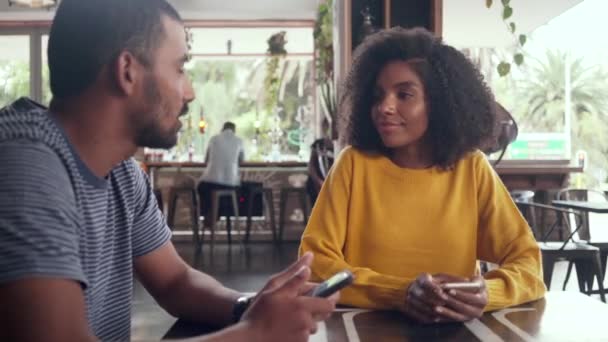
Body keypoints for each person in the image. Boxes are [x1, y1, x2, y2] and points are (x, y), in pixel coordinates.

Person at [0, 1, 337, 341]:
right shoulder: (23, 166)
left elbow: (175, 282)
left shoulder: (122, 173)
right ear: (127, 70)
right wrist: (256, 334)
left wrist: (247, 306)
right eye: (180, 69)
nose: (189, 91)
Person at [299, 27, 545, 323]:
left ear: (439, 103)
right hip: (366, 327)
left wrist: (487, 292)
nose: (384, 107)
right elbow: (315, 266)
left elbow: (529, 264)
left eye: (404, 94)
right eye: (378, 96)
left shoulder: (472, 169)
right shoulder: (353, 165)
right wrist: (400, 293)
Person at [197, 121, 244, 223]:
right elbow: (241, 160)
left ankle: (209, 215)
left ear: (222, 129)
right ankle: (217, 216)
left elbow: (206, 160)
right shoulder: (239, 141)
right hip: (231, 185)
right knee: (234, 195)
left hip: (210, 184)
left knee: (201, 188)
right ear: (234, 130)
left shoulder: (213, 139)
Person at [306, 119, 334, 205]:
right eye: (326, 127)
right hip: (317, 183)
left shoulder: (341, 145)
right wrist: (319, 181)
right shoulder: (317, 144)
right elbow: (311, 167)